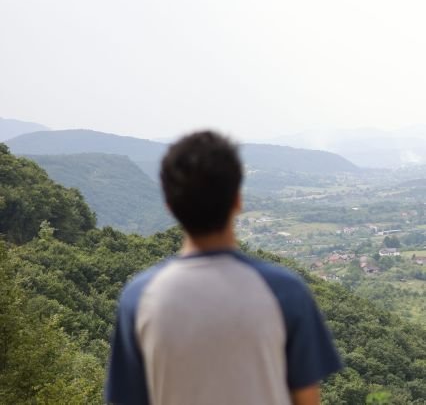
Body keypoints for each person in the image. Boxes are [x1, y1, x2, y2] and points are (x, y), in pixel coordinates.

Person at [105, 131, 342, 405]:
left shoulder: (139, 297)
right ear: (237, 200)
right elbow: (306, 398)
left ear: (170, 207)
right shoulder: (284, 291)